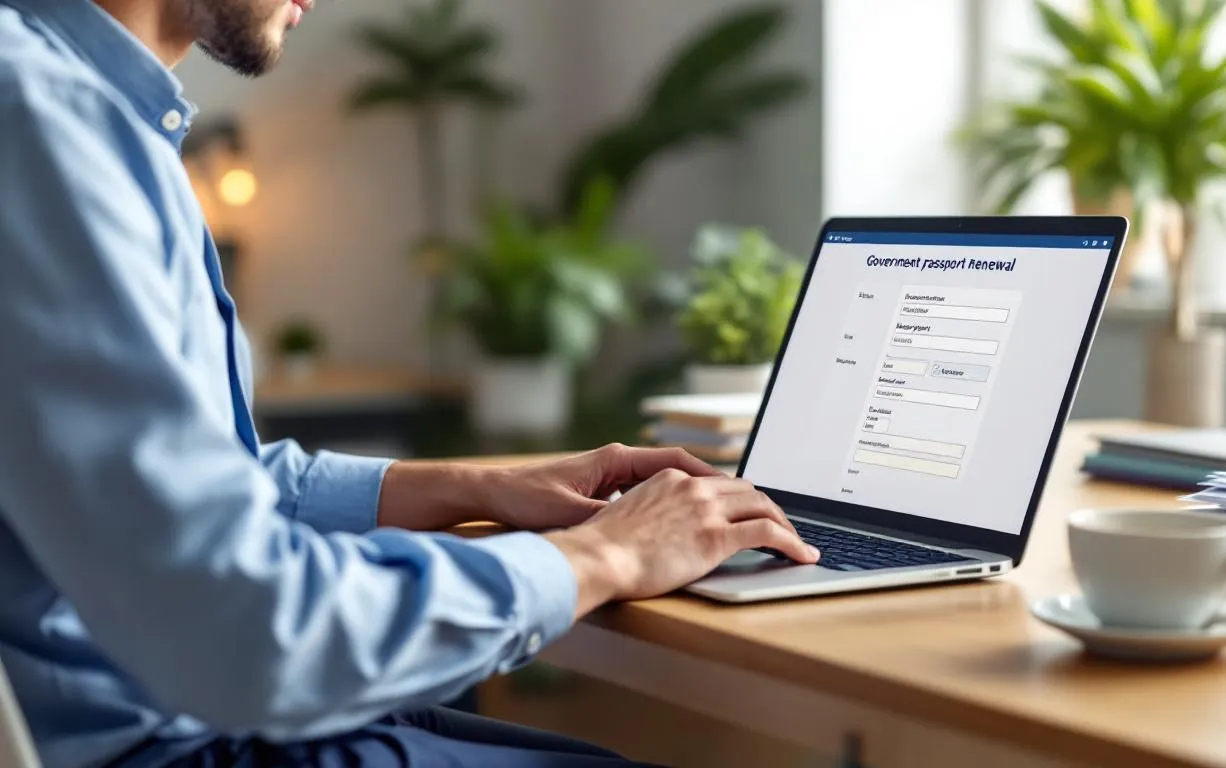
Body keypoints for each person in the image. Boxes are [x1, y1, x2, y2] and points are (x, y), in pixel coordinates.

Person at [0, 0, 821, 766]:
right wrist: (602, 554)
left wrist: (480, 487)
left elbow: (190, 490)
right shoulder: (41, 122)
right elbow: (248, 633)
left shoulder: (90, 112)